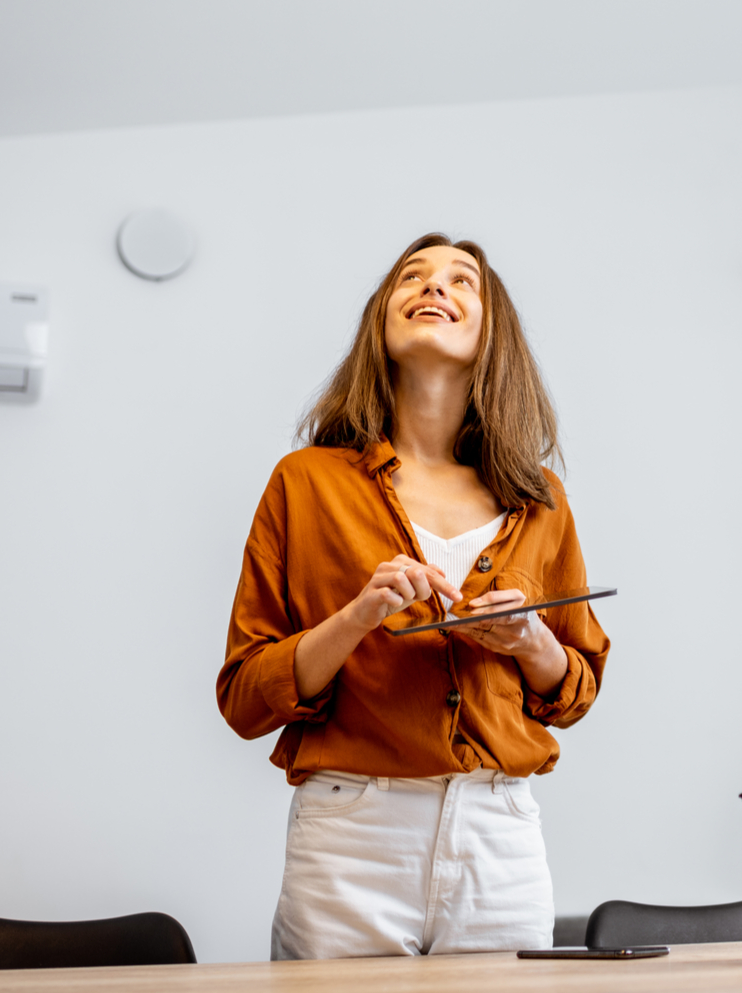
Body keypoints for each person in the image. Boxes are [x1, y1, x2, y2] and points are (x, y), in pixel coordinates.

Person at [216, 233, 609, 959]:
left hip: (500, 839)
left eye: (463, 281)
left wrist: (531, 643)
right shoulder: (305, 483)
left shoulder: (540, 499)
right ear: (381, 322)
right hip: (351, 840)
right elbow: (243, 697)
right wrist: (357, 617)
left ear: (495, 333)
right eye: (412, 277)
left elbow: (576, 690)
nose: (433, 288)